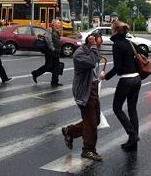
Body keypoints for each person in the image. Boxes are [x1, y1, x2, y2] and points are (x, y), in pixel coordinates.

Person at [62, 32, 103, 162]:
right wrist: (93, 47)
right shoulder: (79, 53)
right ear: (90, 42)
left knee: (95, 120)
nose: (99, 47)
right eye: (98, 44)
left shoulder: (92, 51)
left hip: (93, 89)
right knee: (91, 122)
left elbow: (95, 60)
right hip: (84, 91)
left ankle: (71, 131)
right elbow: (91, 62)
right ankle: (88, 150)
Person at [100, 21, 141, 152]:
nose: (111, 31)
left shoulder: (117, 44)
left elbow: (117, 67)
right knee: (132, 109)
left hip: (126, 80)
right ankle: (133, 141)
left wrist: (105, 76)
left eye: (112, 29)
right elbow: (143, 54)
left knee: (117, 108)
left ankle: (132, 135)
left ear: (116, 31)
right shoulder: (130, 42)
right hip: (137, 79)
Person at [31, 19, 63, 87]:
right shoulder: (50, 29)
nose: (59, 24)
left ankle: (54, 82)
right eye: (58, 23)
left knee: (56, 67)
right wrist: (52, 48)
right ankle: (35, 73)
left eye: (59, 23)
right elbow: (48, 39)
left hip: (56, 52)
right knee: (48, 66)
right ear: (54, 24)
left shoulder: (57, 31)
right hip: (50, 52)